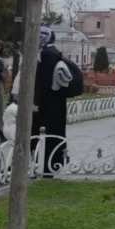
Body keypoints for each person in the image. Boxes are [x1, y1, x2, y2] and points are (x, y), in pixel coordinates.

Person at [33, 28, 70, 177]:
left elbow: (45, 81)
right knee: (54, 131)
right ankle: (51, 163)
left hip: (49, 102)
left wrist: (36, 101)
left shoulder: (46, 54)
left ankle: (48, 166)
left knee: (48, 133)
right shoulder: (52, 51)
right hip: (56, 101)